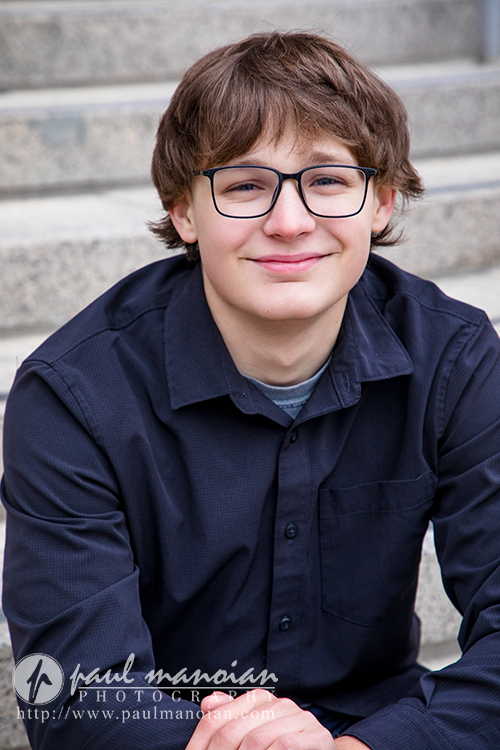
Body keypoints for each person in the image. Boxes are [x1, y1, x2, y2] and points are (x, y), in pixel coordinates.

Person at [2, 30, 500, 750]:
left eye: (327, 180)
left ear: (382, 202)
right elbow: (73, 692)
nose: (290, 222)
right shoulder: (73, 397)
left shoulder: (455, 359)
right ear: (184, 213)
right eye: (244, 186)